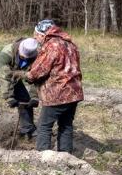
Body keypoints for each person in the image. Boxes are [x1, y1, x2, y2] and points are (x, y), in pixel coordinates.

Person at [24, 19, 83, 153]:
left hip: (57, 93)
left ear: (44, 34)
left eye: (36, 34)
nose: (34, 37)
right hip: (74, 92)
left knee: (44, 126)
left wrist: (25, 75)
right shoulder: (71, 44)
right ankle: (65, 156)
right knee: (66, 125)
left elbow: (39, 70)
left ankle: (44, 158)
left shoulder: (51, 46)